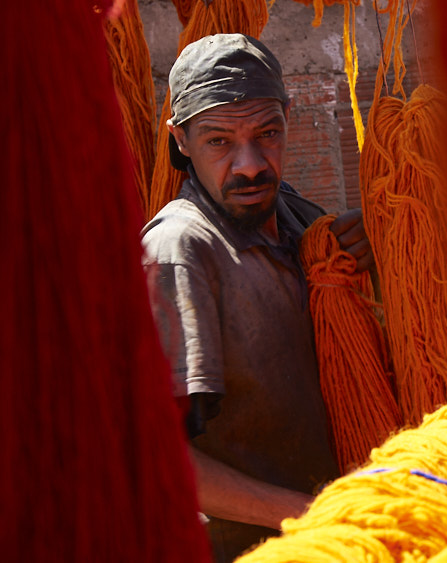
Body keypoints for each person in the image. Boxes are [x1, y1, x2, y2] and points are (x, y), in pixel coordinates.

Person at [141, 33, 372, 562]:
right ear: (179, 140)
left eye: (267, 132)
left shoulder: (296, 217)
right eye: (219, 141)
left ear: (288, 118)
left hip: (338, 538)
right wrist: (315, 512)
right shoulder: (180, 251)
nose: (249, 165)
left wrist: (368, 254)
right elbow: (157, 456)